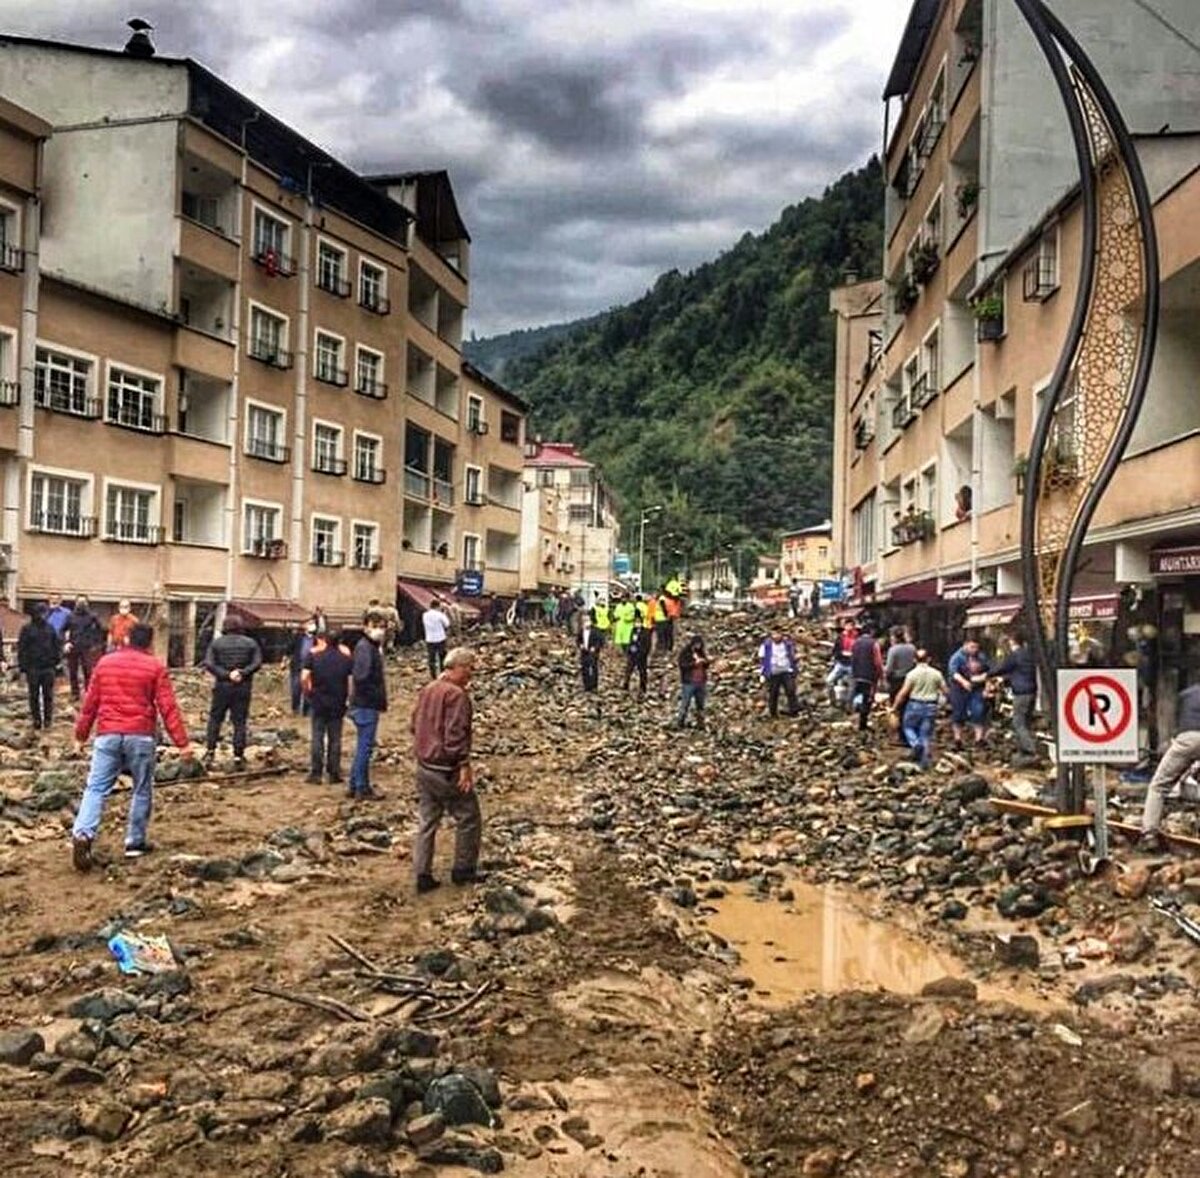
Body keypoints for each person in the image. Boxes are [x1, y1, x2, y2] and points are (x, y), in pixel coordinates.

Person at [70, 623, 193, 870]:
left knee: (95, 787)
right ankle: (134, 842)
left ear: (125, 638)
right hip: (141, 735)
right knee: (142, 788)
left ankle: (83, 834)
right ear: (149, 643)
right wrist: (183, 743)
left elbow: (91, 703)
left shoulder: (105, 663)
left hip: (107, 733)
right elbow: (168, 707)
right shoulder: (155, 667)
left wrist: (80, 737)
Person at [411, 647, 481, 893]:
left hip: (424, 765)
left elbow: (414, 723)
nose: (471, 674)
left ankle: (422, 874)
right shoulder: (457, 696)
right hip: (445, 768)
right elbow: (455, 734)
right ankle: (463, 870)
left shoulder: (428, 689)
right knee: (468, 816)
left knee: (427, 821)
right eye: (470, 668)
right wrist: (463, 765)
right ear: (458, 667)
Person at [1139, 684, 1200, 850]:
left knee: (1159, 786)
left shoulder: (1186, 693)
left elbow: (1176, 722)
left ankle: (1149, 834)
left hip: (1187, 739)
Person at [202, 615, 263, 770]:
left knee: (215, 719)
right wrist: (242, 673)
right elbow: (257, 663)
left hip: (222, 686)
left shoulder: (216, 644)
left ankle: (210, 751)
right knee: (239, 722)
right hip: (243, 687)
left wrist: (225, 674)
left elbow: (209, 663)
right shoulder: (250, 643)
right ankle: (238, 755)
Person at [302, 627, 353, 784]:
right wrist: (349, 699)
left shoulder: (314, 656)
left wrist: (308, 693)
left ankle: (316, 773)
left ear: (325, 640)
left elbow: (304, 677)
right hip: (337, 702)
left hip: (318, 701)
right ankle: (333, 773)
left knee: (317, 736)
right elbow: (351, 682)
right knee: (335, 738)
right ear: (340, 641)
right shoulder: (346, 658)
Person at [349, 616, 388, 800]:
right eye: (376, 626)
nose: (380, 630)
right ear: (365, 627)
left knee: (362, 747)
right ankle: (361, 787)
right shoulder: (366, 648)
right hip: (366, 705)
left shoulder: (369, 647)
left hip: (364, 703)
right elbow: (361, 677)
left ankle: (353, 784)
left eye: (382, 627)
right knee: (365, 748)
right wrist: (374, 696)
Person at [893, 649, 948, 770]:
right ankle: (925, 763)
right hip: (931, 706)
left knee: (908, 727)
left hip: (914, 704)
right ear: (929, 659)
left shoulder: (912, 674)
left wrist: (895, 707)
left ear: (914, 660)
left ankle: (915, 744)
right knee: (925, 734)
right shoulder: (937, 673)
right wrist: (946, 703)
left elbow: (903, 692)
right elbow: (945, 690)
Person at [990, 633, 1039, 762]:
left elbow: (1002, 668)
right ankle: (1023, 750)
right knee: (1026, 721)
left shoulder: (1015, 655)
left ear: (1012, 642)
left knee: (1018, 722)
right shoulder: (1028, 654)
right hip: (1031, 690)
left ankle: (1030, 750)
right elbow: (1018, 671)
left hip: (1021, 692)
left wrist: (986, 674)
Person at [18, 604, 61, 730]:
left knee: (48, 695)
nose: (42, 616)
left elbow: (56, 646)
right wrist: (23, 667)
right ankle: (36, 720)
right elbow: (22, 649)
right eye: (40, 613)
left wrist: (56, 663)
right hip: (33, 668)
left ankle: (48, 721)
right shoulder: (26, 629)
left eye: (44, 613)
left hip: (48, 667)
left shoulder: (50, 628)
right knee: (34, 695)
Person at [947, 637, 991, 748]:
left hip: (977, 688)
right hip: (959, 689)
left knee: (979, 712)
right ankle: (958, 739)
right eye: (972, 647)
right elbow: (954, 673)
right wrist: (963, 682)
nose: (974, 649)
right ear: (965, 645)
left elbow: (988, 671)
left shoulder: (981, 657)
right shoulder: (957, 657)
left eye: (976, 647)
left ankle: (979, 739)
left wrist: (987, 686)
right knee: (958, 713)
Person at [63, 595, 105, 702]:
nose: (81, 604)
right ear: (75, 603)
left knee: (88, 672)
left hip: (87, 648)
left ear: (87, 603)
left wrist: (95, 643)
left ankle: (89, 693)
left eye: (83, 602)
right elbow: (62, 630)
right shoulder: (70, 616)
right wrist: (66, 642)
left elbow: (101, 630)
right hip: (73, 647)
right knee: (73, 672)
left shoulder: (92, 616)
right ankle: (75, 694)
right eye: (79, 602)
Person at [758, 626, 800, 718]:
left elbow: (793, 655)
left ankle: (794, 711)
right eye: (774, 634)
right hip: (773, 672)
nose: (776, 636)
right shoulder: (766, 645)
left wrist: (795, 665)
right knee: (773, 693)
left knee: (790, 690)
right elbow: (762, 658)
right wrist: (763, 673)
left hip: (786, 670)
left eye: (778, 634)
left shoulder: (787, 644)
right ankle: (773, 713)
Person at [885, 627, 918, 743]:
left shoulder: (893, 650)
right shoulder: (912, 648)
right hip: (910, 680)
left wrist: (886, 679)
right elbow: (915, 663)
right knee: (907, 707)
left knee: (896, 708)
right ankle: (910, 733)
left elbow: (889, 668)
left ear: (894, 637)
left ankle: (901, 736)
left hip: (896, 680)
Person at [850, 625, 885, 732]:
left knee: (855, 695)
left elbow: (852, 658)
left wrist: (854, 672)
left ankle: (853, 719)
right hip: (869, 676)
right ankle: (862, 724)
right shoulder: (874, 643)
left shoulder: (855, 643)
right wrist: (881, 675)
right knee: (867, 699)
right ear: (871, 632)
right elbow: (878, 661)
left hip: (856, 674)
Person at [676, 634, 709, 729]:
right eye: (697, 644)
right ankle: (680, 722)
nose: (698, 646)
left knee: (700, 704)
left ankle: (700, 723)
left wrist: (705, 662)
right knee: (685, 703)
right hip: (689, 682)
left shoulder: (701, 653)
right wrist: (694, 664)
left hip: (701, 681)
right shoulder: (685, 653)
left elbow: (707, 664)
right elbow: (682, 665)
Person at [826, 621, 857, 706]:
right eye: (848, 625)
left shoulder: (856, 638)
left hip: (851, 665)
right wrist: (839, 655)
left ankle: (848, 704)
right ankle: (833, 701)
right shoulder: (840, 637)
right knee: (829, 681)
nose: (849, 627)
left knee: (852, 686)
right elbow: (835, 650)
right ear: (845, 626)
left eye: (851, 625)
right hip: (840, 663)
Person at [289, 622, 316, 716]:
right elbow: (289, 649)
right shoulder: (298, 637)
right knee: (296, 689)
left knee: (308, 689)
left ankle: (307, 710)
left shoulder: (316, 640)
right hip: (297, 666)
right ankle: (295, 709)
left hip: (310, 668)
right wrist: (284, 660)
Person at [578, 609, 604, 706]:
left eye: (587, 620)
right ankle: (586, 686)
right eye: (584, 620)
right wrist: (580, 645)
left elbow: (600, 641)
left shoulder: (596, 630)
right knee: (584, 668)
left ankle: (594, 686)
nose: (585, 622)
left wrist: (595, 648)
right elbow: (578, 639)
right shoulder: (581, 630)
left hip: (593, 652)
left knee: (593, 668)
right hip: (584, 651)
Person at [422, 597, 452, 680]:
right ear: (438, 606)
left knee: (431, 658)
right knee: (442, 657)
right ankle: (442, 674)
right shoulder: (440, 615)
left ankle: (433, 676)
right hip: (440, 638)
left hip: (429, 639)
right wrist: (444, 613)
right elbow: (447, 624)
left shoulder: (425, 615)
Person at [623, 621, 651, 696]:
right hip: (632, 655)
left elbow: (647, 645)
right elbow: (630, 641)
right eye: (636, 622)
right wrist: (629, 649)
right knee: (628, 669)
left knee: (642, 672)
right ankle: (626, 684)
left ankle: (643, 686)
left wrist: (642, 652)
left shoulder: (646, 632)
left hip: (641, 656)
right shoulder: (633, 631)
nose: (637, 624)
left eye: (638, 622)